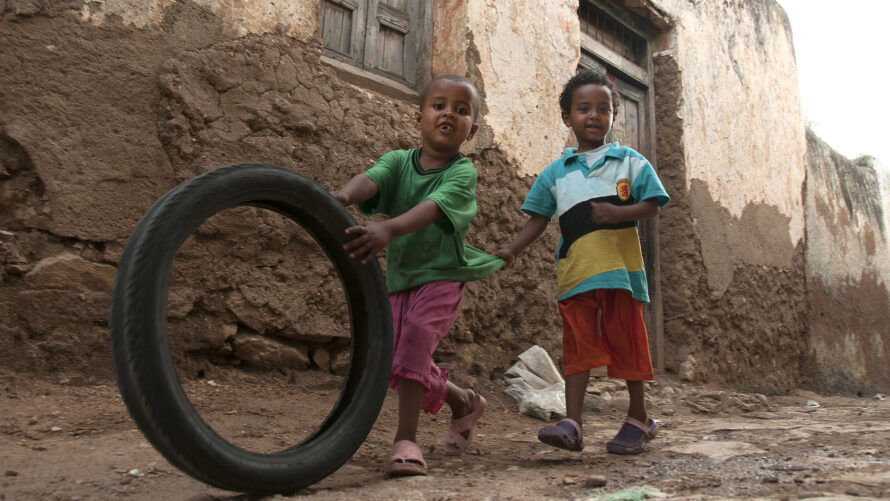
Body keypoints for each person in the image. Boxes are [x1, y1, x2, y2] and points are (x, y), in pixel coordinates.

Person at [331, 74, 504, 477]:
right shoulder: (397, 161)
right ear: (419, 116)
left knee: (415, 342)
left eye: (461, 110)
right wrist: (339, 197)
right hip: (401, 278)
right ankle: (462, 401)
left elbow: (432, 208)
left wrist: (388, 230)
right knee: (398, 355)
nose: (449, 113)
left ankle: (405, 440)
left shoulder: (462, 173)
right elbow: (369, 181)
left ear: (471, 129)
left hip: (442, 275)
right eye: (439, 105)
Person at [494, 70, 669, 455]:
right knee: (578, 349)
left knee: (628, 346)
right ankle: (573, 423)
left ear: (613, 115)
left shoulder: (630, 162)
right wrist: (512, 249)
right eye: (584, 108)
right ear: (566, 116)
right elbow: (538, 218)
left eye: (603, 109)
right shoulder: (556, 174)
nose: (594, 116)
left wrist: (619, 214)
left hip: (622, 277)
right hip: (576, 276)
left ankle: (638, 416)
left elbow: (653, 205)